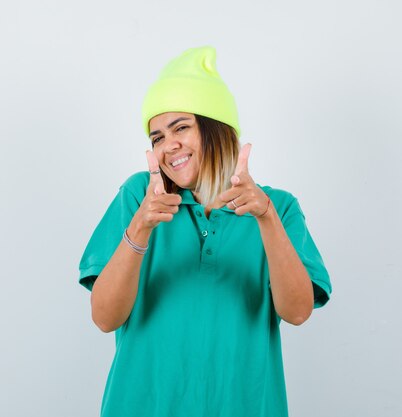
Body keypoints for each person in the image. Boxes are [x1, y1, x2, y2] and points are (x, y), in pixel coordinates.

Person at [77, 46, 332, 417]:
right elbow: (104, 318)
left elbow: (296, 312)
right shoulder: (140, 197)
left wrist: (266, 218)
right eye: (157, 137)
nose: (169, 146)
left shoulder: (278, 207)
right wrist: (141, 227)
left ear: (217, 130)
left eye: (181, 127)